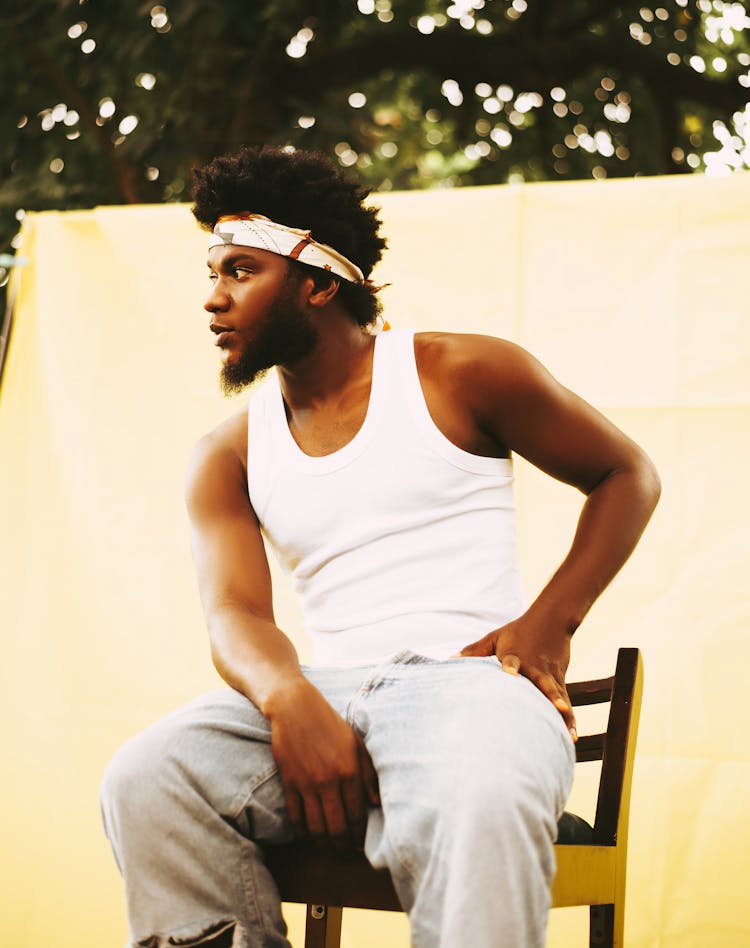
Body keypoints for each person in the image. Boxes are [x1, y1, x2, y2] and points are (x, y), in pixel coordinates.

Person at [100, 145, 660, 948]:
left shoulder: (459, 372)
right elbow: (232, 612)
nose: (213, 300)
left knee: (481, 792)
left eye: (240, 272)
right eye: (212, 273)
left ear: (318, 282)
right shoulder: (227, 454)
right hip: (319, 699)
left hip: (471, 691)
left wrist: (551, 622)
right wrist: (289, 697)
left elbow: (626, 473)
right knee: (149, 779)